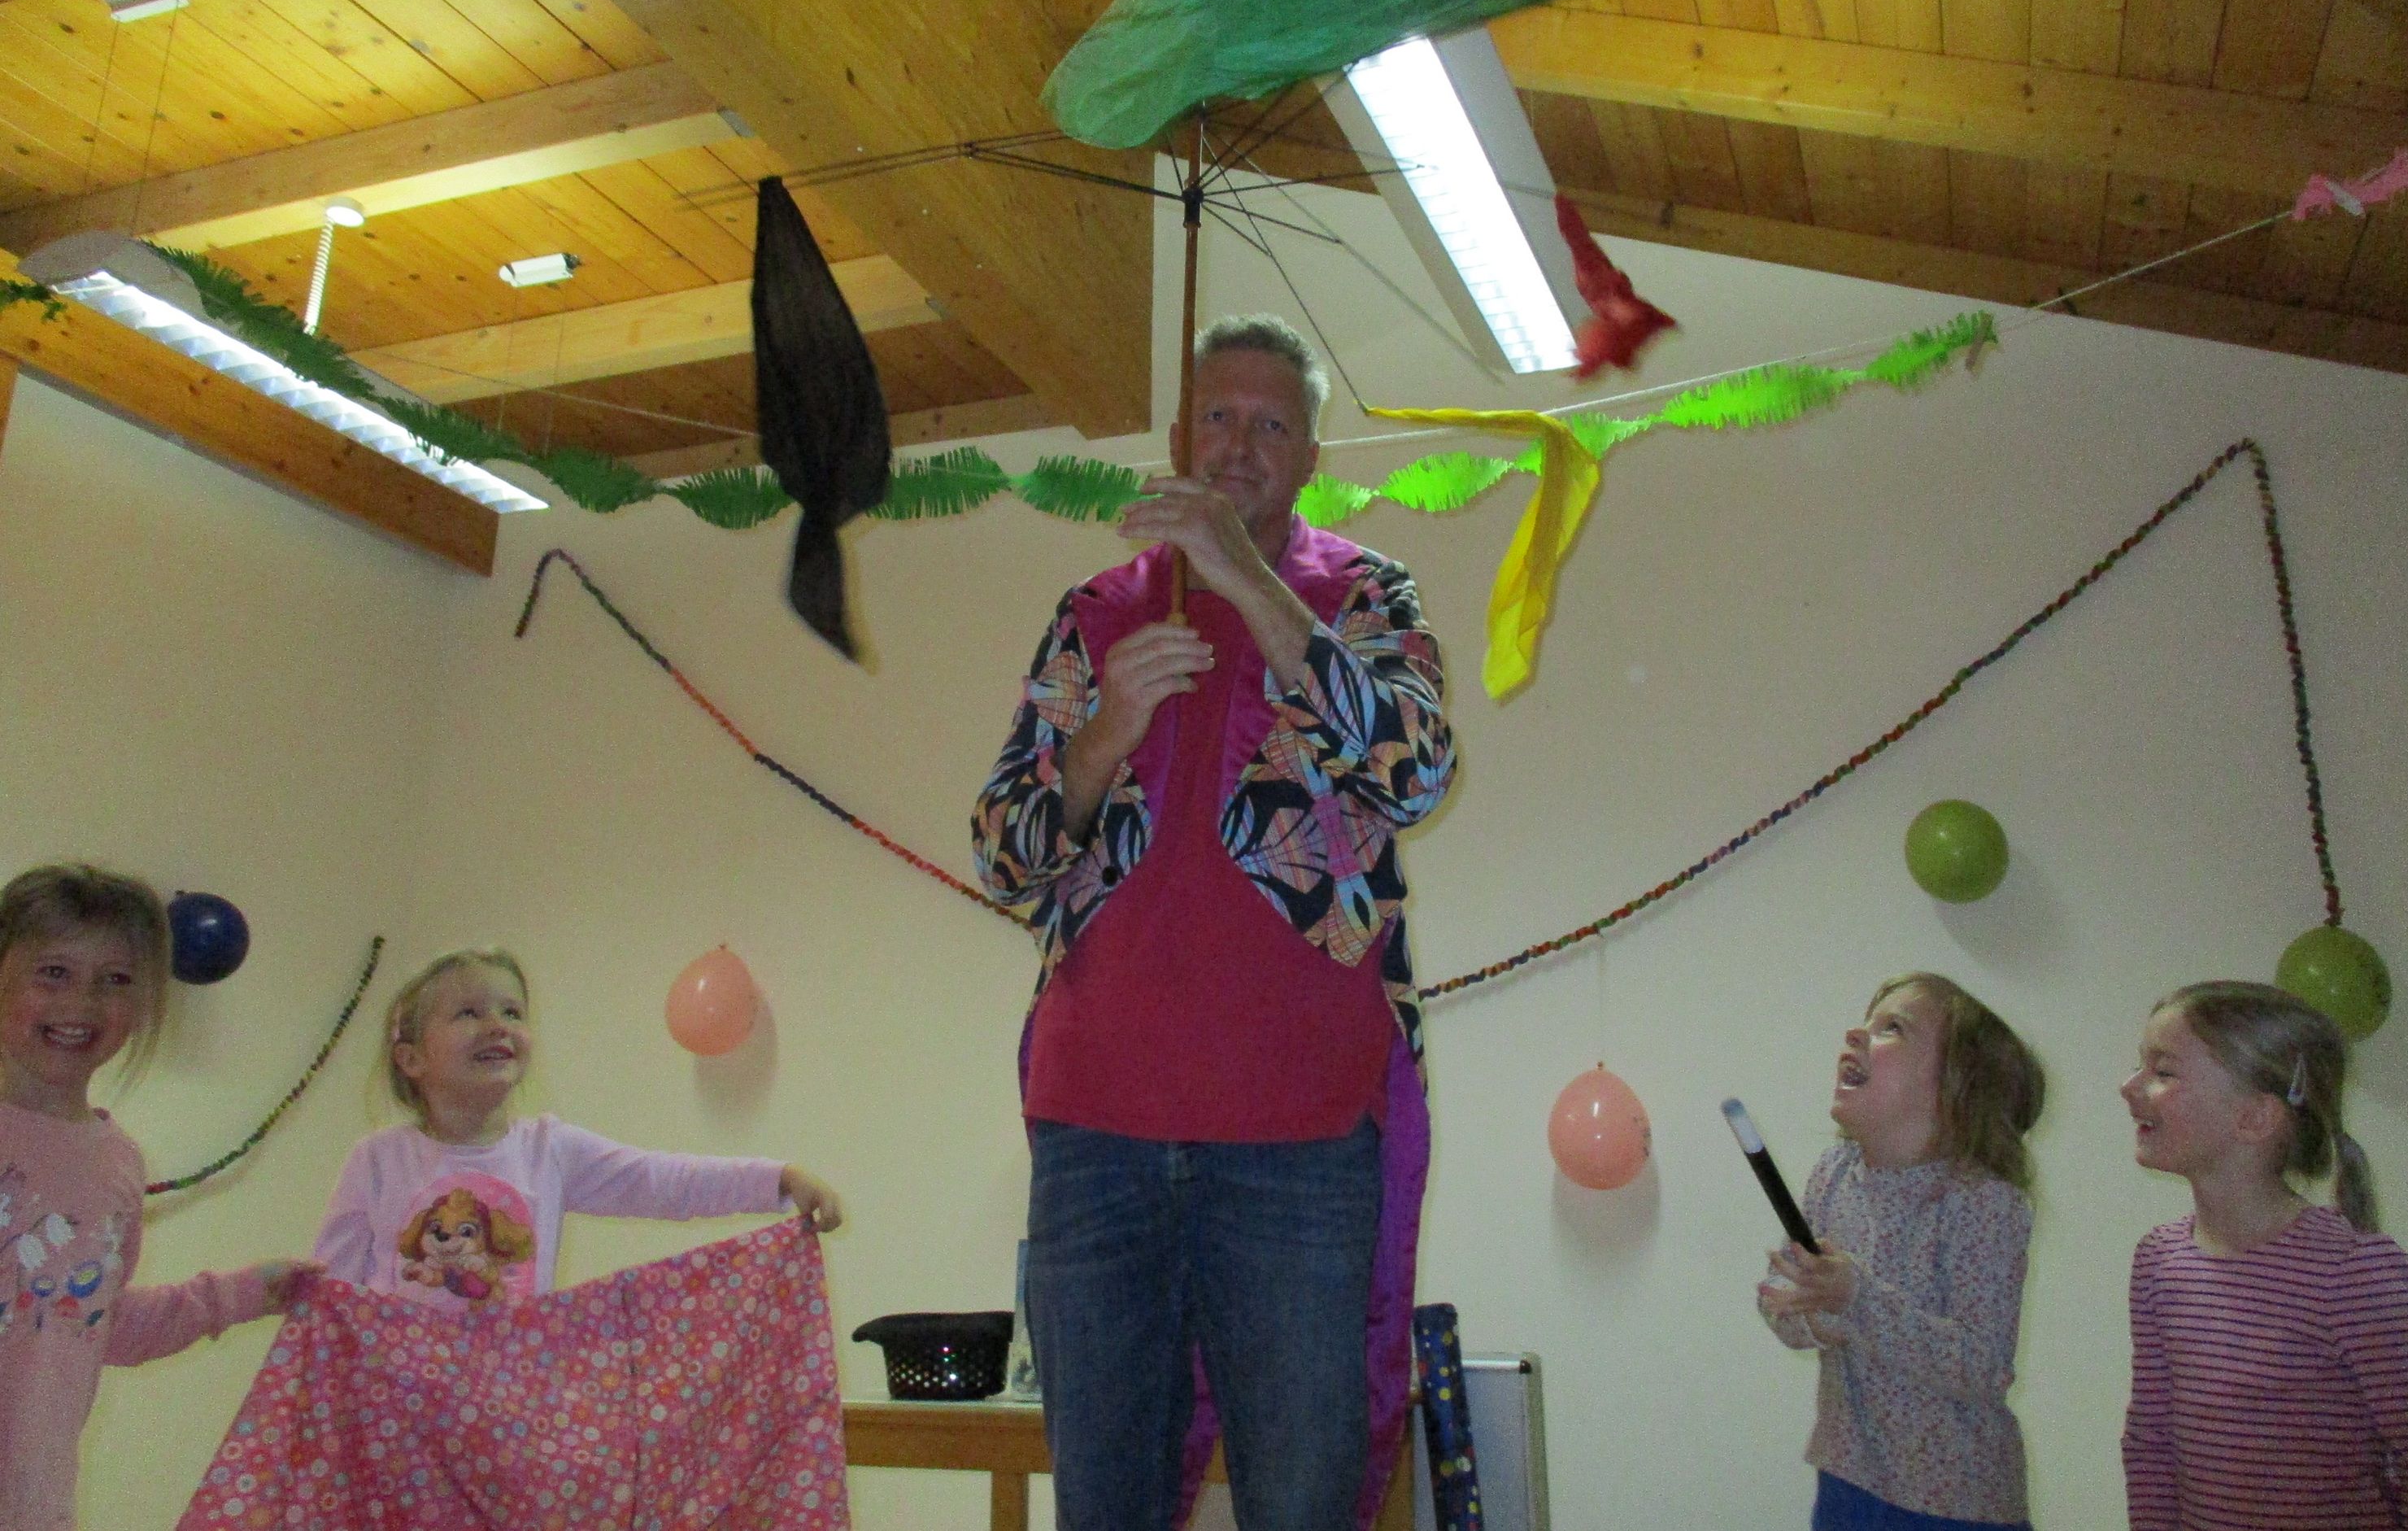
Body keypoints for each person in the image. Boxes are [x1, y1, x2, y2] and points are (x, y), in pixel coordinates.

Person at [973, 315, 1456, 1531]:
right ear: (1181, 436)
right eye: (1219, 418)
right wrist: (1099, 740)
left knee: (1299, 1501)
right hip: (1094, 1133)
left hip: (1297, 1140)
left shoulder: (1365, 595)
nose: (1239, 444)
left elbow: (1415, 772)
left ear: (1310, 456)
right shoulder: (1095, 609)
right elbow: (1002, 857)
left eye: (1271, 423)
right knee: (1104, 1504)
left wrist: (1245, 577)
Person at [0, 864, 318, 1531]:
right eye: (53, 972)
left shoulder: (115, 1165)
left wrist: (245, 1293)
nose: (82, 1003)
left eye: (116, 980)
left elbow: (89, 1323)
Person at [313, 945, 842, 1307]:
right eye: (469, 1013)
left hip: (508, 1402)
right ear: (411, 1058)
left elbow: (660, 1181)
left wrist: (776, 1180)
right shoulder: (378, 1159)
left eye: (512, 1012)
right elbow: (329, 1293)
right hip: (397, 1410)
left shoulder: (549, 1149)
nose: (498, 1026)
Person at [2120, 979, 2408, 1530]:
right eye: (2139, 1066)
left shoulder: (2354, 1270)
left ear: (2254, 1118)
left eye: (2163, 1072)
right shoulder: (2160, 1261)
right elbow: (2150, 1441)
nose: (2128, 1086)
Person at [1757, 973, 2047, 1531]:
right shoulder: (1833, 1173)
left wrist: (1854, 1300)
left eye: (1891, 1028)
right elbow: (1783, 1301)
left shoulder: (1983, 1200)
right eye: (1866, 1021)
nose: (1856, 1034)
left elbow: (1983, 1367)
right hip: (1848, 1479)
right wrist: (1809, 1310)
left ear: (1955, 1087)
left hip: (1954, 1502)